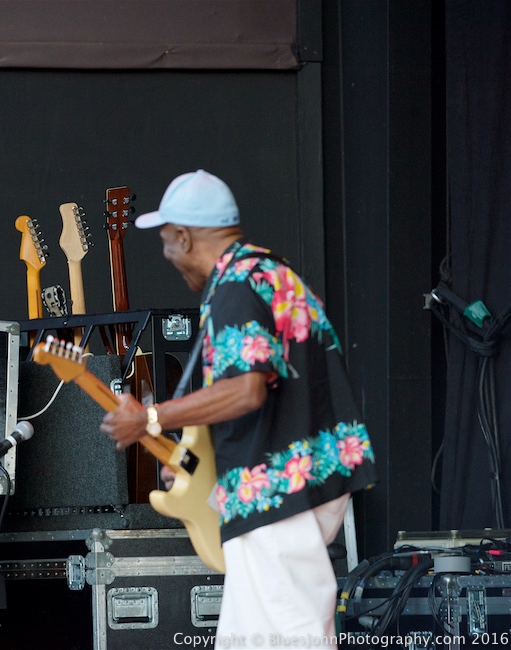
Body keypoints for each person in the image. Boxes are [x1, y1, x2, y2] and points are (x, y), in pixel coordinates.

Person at [99, 171, 377, 648]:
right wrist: (197, 464)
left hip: (277, 490)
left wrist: (150, 418)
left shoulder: (236, 288)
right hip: (293, 482)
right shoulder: (267, 274)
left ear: (183, 237)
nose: (168, 256)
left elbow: (246, 390)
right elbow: (268, 392)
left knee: (292, 636)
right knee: (249, 638)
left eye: (166, 243)